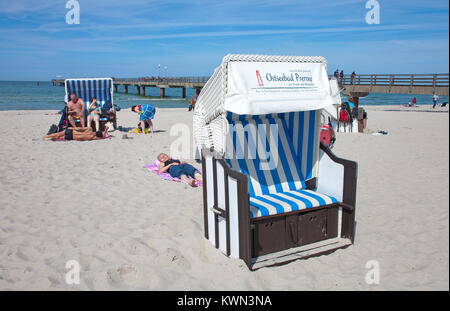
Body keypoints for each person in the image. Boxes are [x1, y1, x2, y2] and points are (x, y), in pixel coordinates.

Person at [43, 126, 109, 141]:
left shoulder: (90, 131)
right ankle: (48, 138)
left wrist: (105, 129)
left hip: (72, 132)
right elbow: (103, 137)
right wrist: (105, 130)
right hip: (72, 136)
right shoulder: (92, 137)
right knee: (59, 137)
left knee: (57, 134)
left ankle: (47, 137)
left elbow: (102, 136)